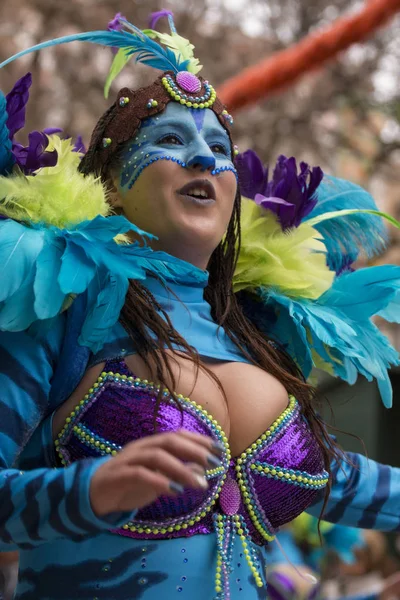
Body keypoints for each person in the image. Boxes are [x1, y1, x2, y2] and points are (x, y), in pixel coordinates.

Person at [0, 11, 400, 600]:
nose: (204, 161)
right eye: (169, 141)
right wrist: (89, 491)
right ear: (107, 182)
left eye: (218, 148)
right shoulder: (60, 299)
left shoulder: (256, 334)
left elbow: (340, 480)